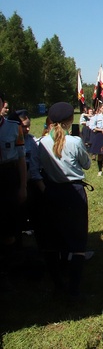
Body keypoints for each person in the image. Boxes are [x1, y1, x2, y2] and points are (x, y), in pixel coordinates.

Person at [38, 102, 91, 298]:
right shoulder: (75, 142)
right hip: (74, 191)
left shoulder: (41, 142)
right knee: (77, 240)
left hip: (52, 190)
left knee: (54, 238)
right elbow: (86, 164)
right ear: (70, 121)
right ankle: (74, 289)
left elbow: (37, 169)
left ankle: (58, 284)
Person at [0, 92, 27, 262]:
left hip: (7, 177)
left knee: (9, 223)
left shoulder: (14, 127)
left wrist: (23, 186)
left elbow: (21, 159)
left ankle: (11, 265)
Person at [88, 103, 103, 176]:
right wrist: (99, 130)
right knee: (100, 154)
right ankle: (100, 170)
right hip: (99, 135)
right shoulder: (96, 117)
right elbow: (92, 126)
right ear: (100, 109)